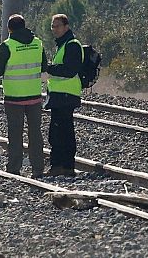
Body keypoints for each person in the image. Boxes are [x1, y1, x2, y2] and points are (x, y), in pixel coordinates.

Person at [0, 14, 48, 177]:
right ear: (24, 26)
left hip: (14, 97)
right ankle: (38, 168)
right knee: (35, 133)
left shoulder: (7, 46)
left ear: (9, 29)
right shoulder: (38, 43)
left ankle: (14, 167)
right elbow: (44, 66)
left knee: (15, 134)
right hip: (35, 95)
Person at [45, 14, 83, 177]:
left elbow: (69, 70)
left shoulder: (72, 45)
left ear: (66, 26)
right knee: (61, 132)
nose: (54, 29)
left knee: (61, 132)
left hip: (66, 95)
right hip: (60, 95)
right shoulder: (63, 44)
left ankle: (62, 166)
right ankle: (63, 166)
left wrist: (49, 68)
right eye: (53, 26)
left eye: (57, 26)